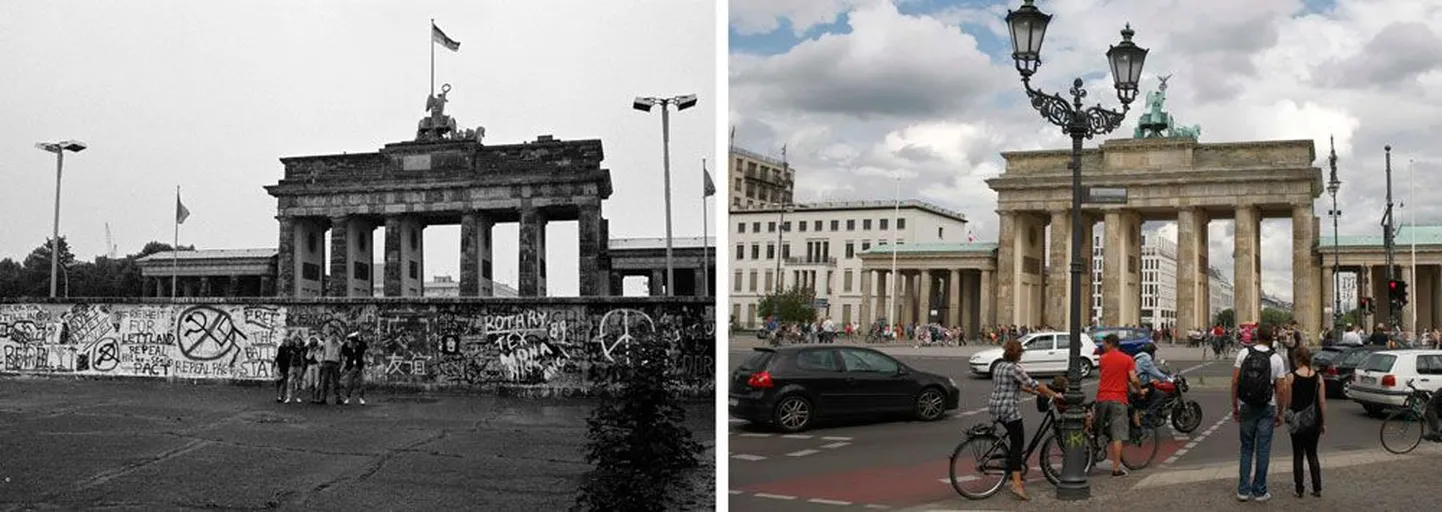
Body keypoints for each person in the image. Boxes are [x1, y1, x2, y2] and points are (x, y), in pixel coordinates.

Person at [988, 339, 1060, 501]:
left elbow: (1017, 386)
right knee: (1017, 443)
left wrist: (1035, 394)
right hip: (1008, 409)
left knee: (1013, 438)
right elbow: (1033, 383)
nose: (1021, 355)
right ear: (1017, 354)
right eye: (1020, 353)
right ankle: (1017, 484)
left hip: (995, 406)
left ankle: (1012, 469)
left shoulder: (999, 366)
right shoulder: (1014, 369)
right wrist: (1054, 394)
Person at [1232, 325, 1288, 502]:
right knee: (1263, 450)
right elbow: (1281, 390)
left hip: (1246, 405)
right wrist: (1280, 412)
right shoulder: (1277, 359)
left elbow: (1234, 382)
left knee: (1246, 448)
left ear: (1256, 337)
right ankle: (1260, 490)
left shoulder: (1243, 354)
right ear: (1272, 337)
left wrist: (1235, 406)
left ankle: (1243, 490)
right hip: (1267, 407)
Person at [1096, 334, 1142, 476]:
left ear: (1110, 344)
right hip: (1118, 399)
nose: (1102, 346)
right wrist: (1139, 390)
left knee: (1098, 429)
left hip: (1102, 397)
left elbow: (1104, 375)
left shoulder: (1102, 359)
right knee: (1118, 435)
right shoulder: (1127, 359)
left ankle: (1098, 449)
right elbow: (1133, 379)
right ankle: (1116, 469)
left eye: (1104, 343)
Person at [1285, 344, 1325, 498]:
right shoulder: (1318, 377)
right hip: (1314, 420)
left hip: (1297, 420)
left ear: (1298, 359)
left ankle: (1299, 489)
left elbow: (1288, 402)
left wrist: (1285, 413)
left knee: (1298, 455)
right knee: (1313, 454)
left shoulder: (1291, 377)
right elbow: (1322, 402)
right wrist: (1322, 422)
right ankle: (1317, 488)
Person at [1133, 343, 1173, 427]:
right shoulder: (1145, 359)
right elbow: (1155, 373)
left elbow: (1150, 370)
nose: (1154, 354)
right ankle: (1148, 415)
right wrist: (1169, 379)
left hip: (1138, 384)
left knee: (1153, 386)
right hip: (1140, 386)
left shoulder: (1138, 357)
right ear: (1151, 352)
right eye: (1154, 352)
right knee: (1162, 395)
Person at [315, 332, 344, 405]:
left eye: (335, 336)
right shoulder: (326, 343)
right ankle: (323, 398)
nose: (334, 337)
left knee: (336, 382)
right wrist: (321, 361)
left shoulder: (339, 344)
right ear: (330, 336)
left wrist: (340, 364)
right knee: (325, 381)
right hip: (327, 362)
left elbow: (340, 354)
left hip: (335, 363)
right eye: (333, 336)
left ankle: (338, 398)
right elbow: (323, 352)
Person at [341, 332, 368, 406]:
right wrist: (348, 338)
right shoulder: (347, 348)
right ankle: (347, 397)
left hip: (359, 367)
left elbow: (364, 344)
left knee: (361, 384)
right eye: (351, 342)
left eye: (354, 342)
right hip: (351, 367)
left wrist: (358, 337)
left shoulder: (360, 348)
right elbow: (343, 347)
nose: (352, 344)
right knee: (349, 384)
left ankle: (361, 398)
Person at [285, 334, 306, 403]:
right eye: (296, 340)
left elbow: (304, 356)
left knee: (298, 382)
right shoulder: (292, 347)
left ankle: (298, 396)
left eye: (298, 340)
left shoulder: (302, 348)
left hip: (299, 365)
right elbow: (288, 354)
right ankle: (288, 397)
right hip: (292, 365)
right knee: (289, 381)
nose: (297, 341)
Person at [273, 336, 294, 403]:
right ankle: (278, 395)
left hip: (287, 367)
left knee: (285, 382)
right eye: (286, 341)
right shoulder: (281, 348)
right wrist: (277, 366)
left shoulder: (291, 349)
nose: (287, 343)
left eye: (288, 341)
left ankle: (281, 396)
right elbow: (278, 357)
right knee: (278, 381)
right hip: (280, 366)